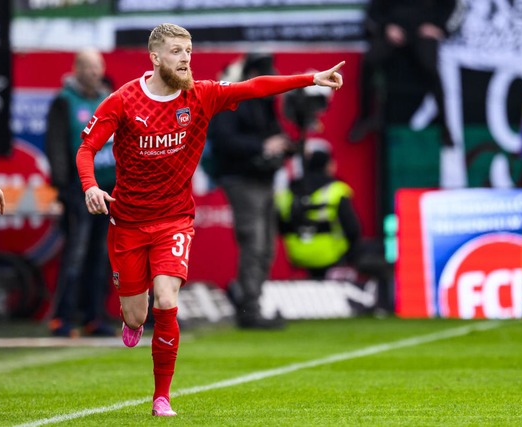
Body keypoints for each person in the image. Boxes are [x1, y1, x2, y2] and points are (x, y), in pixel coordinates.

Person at [76, 23, 344, 417]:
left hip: (174, 219)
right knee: (137, 313)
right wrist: (90, 187)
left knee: (167, 301)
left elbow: (255, 86)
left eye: (188, 50)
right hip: (128, 222)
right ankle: (131, 319)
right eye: (176, 51)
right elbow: (86, 149)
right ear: (155, 57)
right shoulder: (123, 100)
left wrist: (312, 78)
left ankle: (161, 397)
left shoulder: (201, 95)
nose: (186, 57)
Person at [208, 53, 293, 330]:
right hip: (241, 179)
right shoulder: (231, 98)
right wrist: (262, 146)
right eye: (267, 70)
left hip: (264, 179)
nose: (273, 74)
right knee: (254, 244)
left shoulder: (265, 102)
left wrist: (284, 144)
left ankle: (248, 298)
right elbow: (224, 140)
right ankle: (249, 310)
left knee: (266, 246)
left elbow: (275, 134)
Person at [45, 48, 116, 338]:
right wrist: (64, 188)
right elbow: (56, 146)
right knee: (76, 253)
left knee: (101, 254)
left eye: (98, 66)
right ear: (76, 68)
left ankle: (93, 317)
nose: (95, 72)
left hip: (109, 189)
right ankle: (62, 318)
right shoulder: (64, 101)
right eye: (88, 67)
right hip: (79, 190)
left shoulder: (107, 99)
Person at [349, 0, 461, 146]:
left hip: (423, 31)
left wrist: (441, 28)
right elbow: (373, 12)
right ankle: (365, 118)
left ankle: (445, 126)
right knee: (369, 61)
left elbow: (455, 7)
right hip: (394, 29)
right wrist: (386, 27)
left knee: (432, 69)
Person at [275, 139, 361, 280]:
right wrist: (352, 256)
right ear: (328, 165)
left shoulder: (289, 190)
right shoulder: (336, 189)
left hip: (298, 255)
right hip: (332, 256)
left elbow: (281, 225)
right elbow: (353, 229)